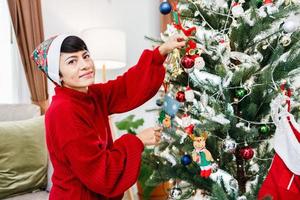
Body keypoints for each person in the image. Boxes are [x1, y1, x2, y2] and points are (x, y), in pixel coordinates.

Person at [31, 33, 186, 200]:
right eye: (72, 61)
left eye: (86, 56)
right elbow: (100, 172)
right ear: (58, 75)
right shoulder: (63, 111)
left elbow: (126, 87)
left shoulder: (90, 95)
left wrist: (161, 52)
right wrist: (138, 140)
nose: (84, 65)